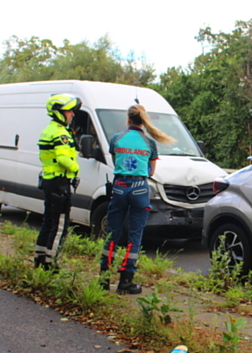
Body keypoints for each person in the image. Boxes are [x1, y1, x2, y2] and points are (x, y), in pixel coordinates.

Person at [100, 104, 174, 294]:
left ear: (128, 119)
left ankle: (103, 279)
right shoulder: (150, 143)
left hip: (119, 187)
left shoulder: (117, 139)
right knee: (135, 235)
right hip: (140, 189)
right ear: (143, 120)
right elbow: (151, 171)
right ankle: (126, 281)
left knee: (112, 232)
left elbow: (115, 160)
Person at [34, 93, 82, 271]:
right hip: (59, 182)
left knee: (48, 222)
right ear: (59, 112)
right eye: (70, 111)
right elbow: (63, 159)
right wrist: (76, 169)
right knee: (60, 225)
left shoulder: (49, 130)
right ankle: (49, 263)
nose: (73, 115)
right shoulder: (61, 133)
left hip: (49, 180)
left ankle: (39, 258)